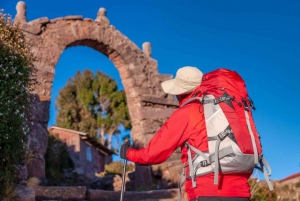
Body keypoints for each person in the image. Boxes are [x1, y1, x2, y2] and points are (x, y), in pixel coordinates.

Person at [120, 66, 251, 201]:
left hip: (207, 192)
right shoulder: (229, 111)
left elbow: (153, 154)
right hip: (242, 193)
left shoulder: (188, 112)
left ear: (182, 92)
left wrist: (128, 153)